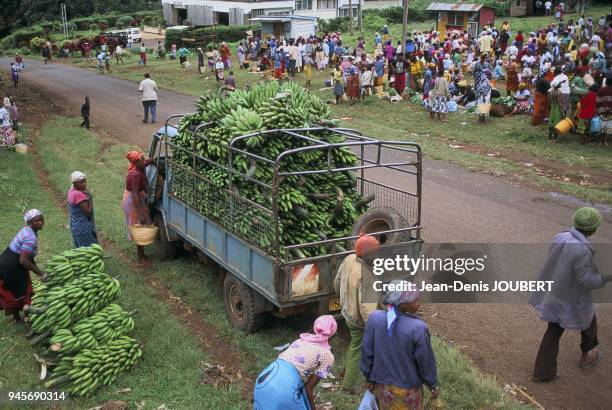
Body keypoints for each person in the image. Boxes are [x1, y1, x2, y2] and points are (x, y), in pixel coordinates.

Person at [531, 207, 611, 382]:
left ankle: (546, 370)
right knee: (577, 321)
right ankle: (584, 355)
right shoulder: (582, 250)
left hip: (555, 290)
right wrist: (604, 278)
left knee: (565, 326)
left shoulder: (562, 236)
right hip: (569, 298)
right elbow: (585, 281)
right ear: (594, 229)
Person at [361, 280, 439, 409]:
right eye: (416, 300)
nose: (419, 304)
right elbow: (425, 362)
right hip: (408, 391)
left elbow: (367, 351)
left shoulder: (375, 318)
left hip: (383, 386)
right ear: (402, 305)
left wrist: (368, 376)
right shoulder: (417, 328)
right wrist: (433, 385)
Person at [253, 315, 337, 410]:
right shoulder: (327, 355)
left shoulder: (301, 340)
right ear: (333, 333)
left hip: (264, 379)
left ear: (315, 328)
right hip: (284, 390)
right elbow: (307, 389)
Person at [334, 234, 380, 393]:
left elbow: (337, 281)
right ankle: (348, 386)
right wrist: (374, 329)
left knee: (354, 346)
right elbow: (368, 311)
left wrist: (342, 299)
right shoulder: (366, 278)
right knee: (357, 351)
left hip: (346, 311)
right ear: (368, 255)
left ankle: (343, 373)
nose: (378, 255)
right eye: (376, 252)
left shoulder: (349, 259)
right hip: (358, 321)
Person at [0, 210, 48, 322]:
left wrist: (38, 271)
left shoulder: (26, 230)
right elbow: (23, 260)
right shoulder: (30, 237)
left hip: (6, 259)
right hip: (12, 265)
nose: (41, 222)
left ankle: (17, 317)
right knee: (18, 290)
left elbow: (28, 256)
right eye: (37, 220)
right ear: (30, 222)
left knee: (17, 289)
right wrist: (41, 273)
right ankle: (21, 316)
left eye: (42, 219)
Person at [122, 151, 154, 263]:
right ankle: (140, 256)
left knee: (141, 224)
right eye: (142, 159)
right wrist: (140, 211)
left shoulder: (141, 166)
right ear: (136, 162)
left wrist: (153, 161)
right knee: (139, 226)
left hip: (136, 198)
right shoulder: (135, 174)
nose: (144, 160)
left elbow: (148, 162)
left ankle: (142, 253)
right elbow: (135, 194)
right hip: (132, 201)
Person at [67, 171, 97, 247]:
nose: (84, 184)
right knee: (89, 249)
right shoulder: (79, 195)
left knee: (81, 248)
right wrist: (90, 196)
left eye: (85, 181)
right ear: (74, 183)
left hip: (75, 224)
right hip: (82, 226)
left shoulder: (71, 191)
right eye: (81, 182)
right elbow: (88, 212)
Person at [596, 73, 612, 145]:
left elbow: (598, 101)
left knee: (601, 126)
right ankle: (605, 141)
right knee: (609, 126)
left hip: (601, 110)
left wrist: (599, 108)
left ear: (606, 82)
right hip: (611, 111)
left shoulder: (601, 90)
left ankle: (600, 141)